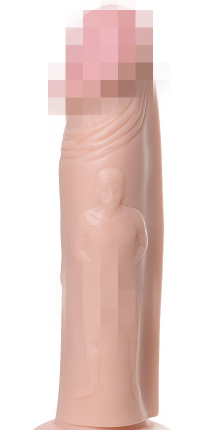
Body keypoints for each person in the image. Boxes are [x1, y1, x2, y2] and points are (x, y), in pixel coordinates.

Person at [71, 168, 148, 400]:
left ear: (123, 190)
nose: (111, 196)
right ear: (96, 191)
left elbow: (142, 243)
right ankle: (94, 383)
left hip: (124, 284)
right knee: (91, 336)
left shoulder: (134, 216)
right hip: (96, 285)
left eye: (116, 190)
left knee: (131, 335)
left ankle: (133, 383)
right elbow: (77, 249)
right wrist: (94, 267)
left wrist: (129, 263)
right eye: (105, 190)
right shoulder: (87, 219)